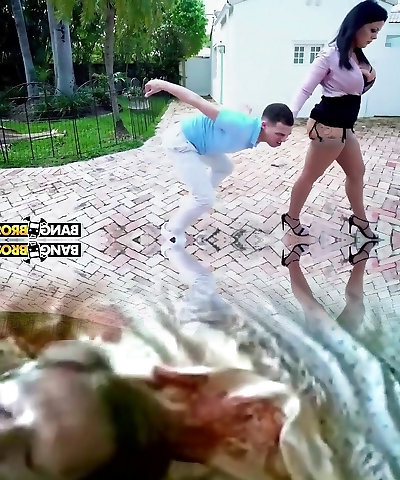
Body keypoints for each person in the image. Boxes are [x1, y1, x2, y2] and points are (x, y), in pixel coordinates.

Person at [282, 0, 387, 239]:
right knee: (310, 176)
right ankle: (292, 217)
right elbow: (305, 88)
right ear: (357, 24)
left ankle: (359, 219)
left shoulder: (356, 56)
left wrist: (369, 77)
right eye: (373, 30)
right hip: (327, 126)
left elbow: (355, 91)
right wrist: (288, 118)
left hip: (344, 127)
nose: (375, 37)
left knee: (357, 172)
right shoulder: (330, 55)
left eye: (378, 32)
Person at [144, 79, 294, 245]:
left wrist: (244, 108)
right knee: (205, 199)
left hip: (201, 145)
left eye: (287, 135)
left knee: (224, 167)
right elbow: (196, 100)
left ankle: (196, 197)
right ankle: (171, 231)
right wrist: (161, 84)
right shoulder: (241, 125)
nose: (283, 140)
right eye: (280, 134)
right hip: (181, 142)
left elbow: (242, 111)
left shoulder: (250, 126)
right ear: (264, 125)